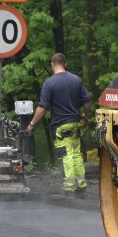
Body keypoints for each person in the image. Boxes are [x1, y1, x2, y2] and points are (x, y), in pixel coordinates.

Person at [25, 53, 91, 193]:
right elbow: (86, 101)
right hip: (75, 124)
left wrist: (31, 124)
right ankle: (81, 184)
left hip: (61, 126)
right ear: (65, 64)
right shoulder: (76, 80)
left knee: (67, 155)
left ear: (52, 64)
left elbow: (42, 108)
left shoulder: (50, 83)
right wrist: (86, 116)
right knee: (77, 154)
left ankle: (69, 187)